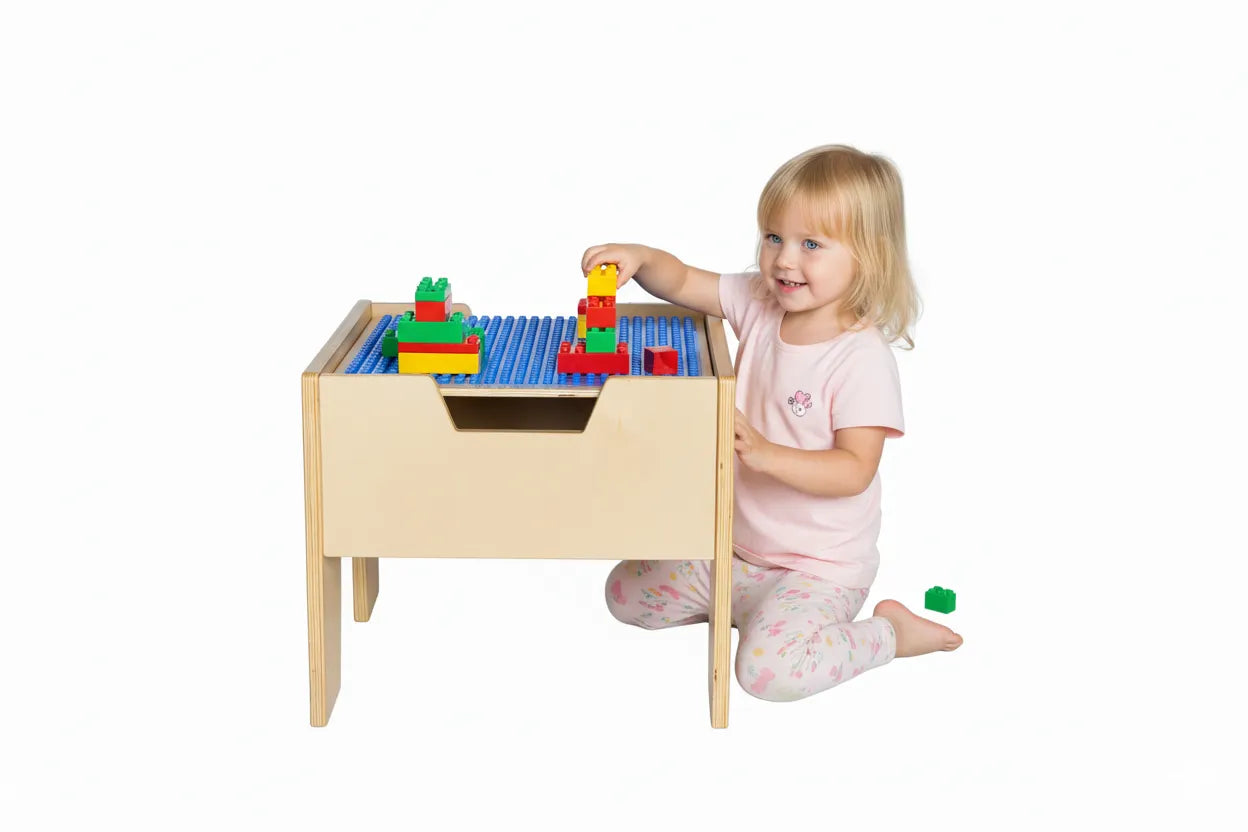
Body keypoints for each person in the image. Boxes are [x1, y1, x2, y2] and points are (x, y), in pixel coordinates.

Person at [586, 144, 962, 702]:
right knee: (624, 595)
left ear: (869, 256)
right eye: (774, 237)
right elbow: (686, 280)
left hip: (818, 567)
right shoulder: (761, 303)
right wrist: (642, 257)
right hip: (736, 547)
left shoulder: (860, 357)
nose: (785, 260)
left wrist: (763, 453)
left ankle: (891, 634)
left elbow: (854, 470)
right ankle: (753, 610)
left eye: (811, 244)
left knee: (767, 675)